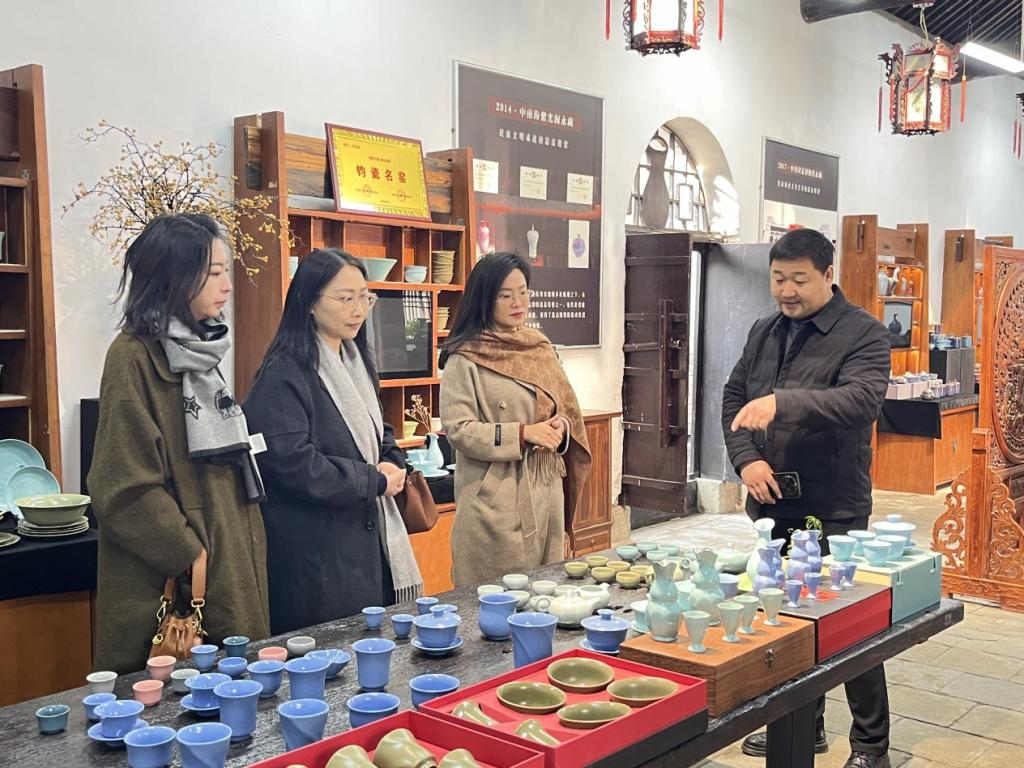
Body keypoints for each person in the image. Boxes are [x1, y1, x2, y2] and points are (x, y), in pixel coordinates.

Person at [722, 228, 892, 768]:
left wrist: (783, 403)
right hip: (774, 503)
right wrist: (746, 460)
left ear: (828, 275)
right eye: (778, 279)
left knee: (849, 622)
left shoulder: (863, 332)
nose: (786, 290)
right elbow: (733, 396)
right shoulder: (764, 330)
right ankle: (804, 725)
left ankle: (871, 746)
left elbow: (861, 401)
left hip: (833, 504)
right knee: (786, 617)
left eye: (799, 279)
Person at [89, 213, 269, 674]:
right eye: (213, 273)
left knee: (235, 694)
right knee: (174, 700)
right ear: (173, 277)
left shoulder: (201, 350)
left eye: (226, 271)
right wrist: (190, 553)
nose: (227, 285)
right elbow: (122, 487)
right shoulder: (133, 357)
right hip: (170, 581)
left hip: (224, 557)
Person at [244, 248, 422, 634]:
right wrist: (372, 480)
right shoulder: (284, 371)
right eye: (345, 298)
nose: (358, 310)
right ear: (308, 301)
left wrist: (392, 461)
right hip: (316, 560)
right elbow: (290, 461)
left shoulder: (355, 360)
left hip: (366, 546)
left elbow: (379, 431)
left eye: (364, 297)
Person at [439, 252, 591, 587]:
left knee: (545, 591)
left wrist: (560, 428)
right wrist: (522, 433)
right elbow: (458, 430)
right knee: (493, 596)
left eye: (523, 292)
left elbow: (566, 409)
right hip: (496, 499)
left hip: (546, 489)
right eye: (505, 295)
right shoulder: (465, 357)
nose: (518, 302)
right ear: (485, 299)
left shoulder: (539, 348)